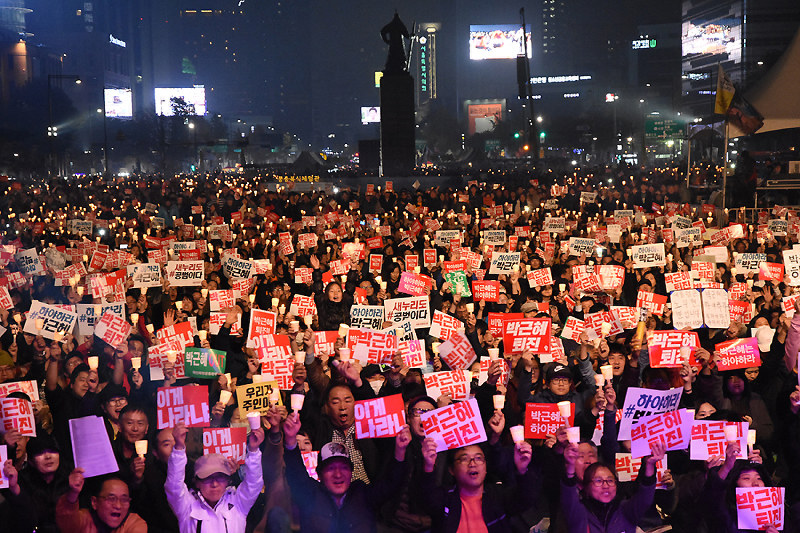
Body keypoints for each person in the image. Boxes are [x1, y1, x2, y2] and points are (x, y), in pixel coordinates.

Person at [282, 407, 412, 533]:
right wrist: (290, 439)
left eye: (344, 468)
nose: (338, 474)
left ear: (351, 472)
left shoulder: (362, 494)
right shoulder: (311, 494)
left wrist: (400, 450)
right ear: (320, 473)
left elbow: (391, 483)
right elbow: (295, 473)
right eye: (331, 468)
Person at [165, 420, 265, 533]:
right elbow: (174, 486)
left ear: (228, 480)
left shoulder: (237, 502)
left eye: (220, 477)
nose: (214, 483)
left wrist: (253, 451)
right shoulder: (186, 506)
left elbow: (254, 484)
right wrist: (178, 448)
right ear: (197, 482)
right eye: (207, 478)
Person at [560, 440, 666, 533]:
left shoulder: (625, 510)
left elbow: (645, 499)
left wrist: (650, 465)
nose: (605, 485)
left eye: (610, 480)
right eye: (598, 481)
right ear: (587, 487)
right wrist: (570, 466)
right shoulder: (580, 513)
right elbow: (569, 497)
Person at [56, 471, 147, 532]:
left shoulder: (134, 523)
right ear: (94, 502)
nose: (118, 506)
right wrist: (73, 493)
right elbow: (67, 522)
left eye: (124, 500)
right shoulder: (84, 520)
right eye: (111, 498)